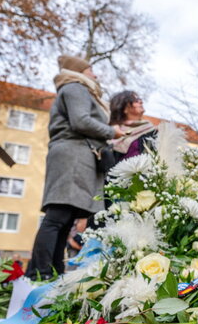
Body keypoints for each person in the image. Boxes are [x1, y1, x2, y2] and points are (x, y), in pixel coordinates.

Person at [27, 54, 125, 281]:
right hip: (73, 156)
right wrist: (113, 132)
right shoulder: (76, 88)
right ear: (79, 72)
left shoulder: (71, 89)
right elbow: (80, 120)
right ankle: (38, 273)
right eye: (91, 69)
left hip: (74, 155)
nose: (95, 74)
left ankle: (52, 273)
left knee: (64, 219)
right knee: (57, 217)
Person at [109, 90, 157, 161]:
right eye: (136, 100)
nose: (141, 102)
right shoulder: (111, 131)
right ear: (125, 108)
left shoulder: (151, 130)